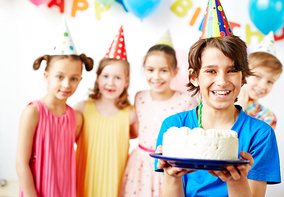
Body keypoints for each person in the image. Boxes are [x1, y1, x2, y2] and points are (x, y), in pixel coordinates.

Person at [154, 1, 281, 196]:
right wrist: (172, 176)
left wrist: (235, 181)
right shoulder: (174, 128)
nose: (222, 81)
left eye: (232, 71)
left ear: (243, 77)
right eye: (211, 71)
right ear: (194, 77)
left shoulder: (260, 134)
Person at [15, 18, 94, 197]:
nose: (67, 84)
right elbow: (21, 162)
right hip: (37, 189)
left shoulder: (75, 117)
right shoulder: (33, 112)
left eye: (74, 78)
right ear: (46, 75)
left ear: (80, 80)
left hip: (65, 187)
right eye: (60, 77)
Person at [119, 30, 198, 197]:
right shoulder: (139, 97)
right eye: (150, 70)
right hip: (140, 164)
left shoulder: (186, 100)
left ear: (175, 71)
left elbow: (194, 136)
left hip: (169, 166)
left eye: (163, 70)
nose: (156, 76)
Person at [74, 26, 138, 197]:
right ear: (97, 78)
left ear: (126, 81)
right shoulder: (81, 108)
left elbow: (137, 136)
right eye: (105, 76)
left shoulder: (130, 114)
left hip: (114, 182)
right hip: (84, 178)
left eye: (118, 77)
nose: (111, 83)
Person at [237, 31, 283, 129]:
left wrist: (239, 113)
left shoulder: (267, 117)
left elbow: (253, 144)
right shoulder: (221, 101)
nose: (262, 86)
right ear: (244, 73)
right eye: (257, 76)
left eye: (270, 82)